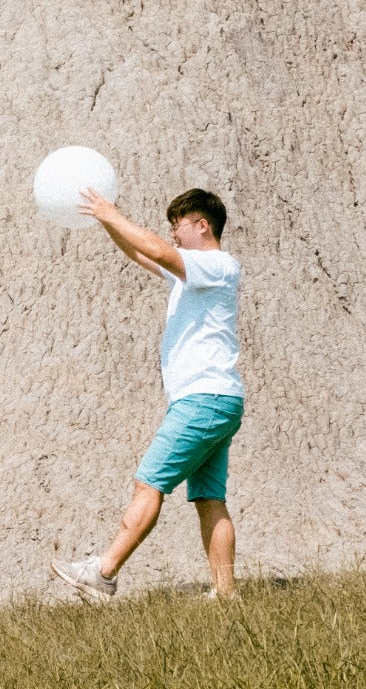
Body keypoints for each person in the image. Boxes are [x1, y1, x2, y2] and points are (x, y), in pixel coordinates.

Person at [51, 187, 246, 601]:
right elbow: (141, 254)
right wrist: (106, 221)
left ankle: (103, 573)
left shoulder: (216, 264)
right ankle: (226, 595)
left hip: (202, 400)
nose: (173, 235)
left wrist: (112, 211)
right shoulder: (194, 274)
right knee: (210, 499)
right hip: (215, 401)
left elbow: (157, 250)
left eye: (178, 227)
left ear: (202, 225)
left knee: (148, 484)